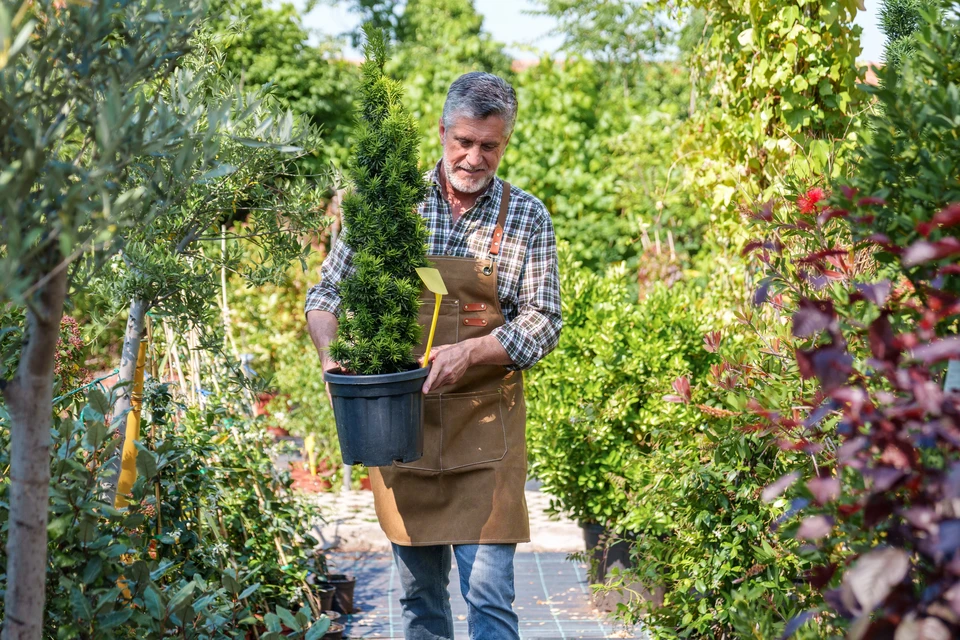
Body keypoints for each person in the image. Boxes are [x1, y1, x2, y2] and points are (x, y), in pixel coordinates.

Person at [305, 71, 562, 640]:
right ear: (442, 131)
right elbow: (326, 293)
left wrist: (471, 352)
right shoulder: (388, 208)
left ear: (506, 143)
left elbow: (544, 322)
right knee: (420, 598)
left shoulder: (527, 218)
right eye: (463, 142)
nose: (474, 157)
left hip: (484, 437)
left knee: (489, 595)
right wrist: (330, 357)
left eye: (488, 145)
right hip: (402, 433)